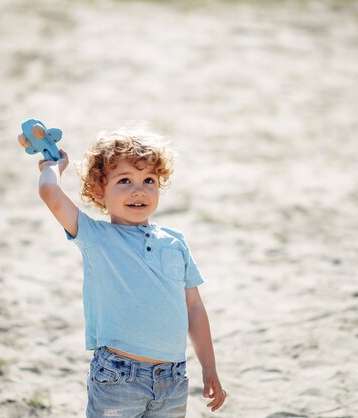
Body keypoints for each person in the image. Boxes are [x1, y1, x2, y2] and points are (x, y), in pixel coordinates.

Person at [35, 127, 226, 416]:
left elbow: (194, 307)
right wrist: (53, 167)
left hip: (173, 379)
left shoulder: (175, 242)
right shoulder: (96, 236)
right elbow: (49, 192)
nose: (139, 189)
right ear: (100, 190)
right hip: (118, 378)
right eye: (124, 180)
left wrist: (209, 367)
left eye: (149, 180)